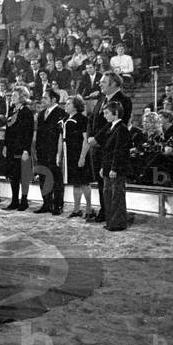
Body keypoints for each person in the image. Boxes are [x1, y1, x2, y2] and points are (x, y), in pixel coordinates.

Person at [87, 72, 132, 223]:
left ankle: (114, 215)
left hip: (110, 148)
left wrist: (97, 139)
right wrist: (90, 137)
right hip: (97, 147)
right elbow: (91, 120)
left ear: (113, 84)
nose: (99, 84)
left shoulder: (124, 101)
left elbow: (115, 124)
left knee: (113, 185)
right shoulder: (101, 100)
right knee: (102, 183)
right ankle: (105, 211)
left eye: (103, 82)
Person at [99, 101, 131, 231]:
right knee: (108, 194)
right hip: (108, 167)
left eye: (107, 113)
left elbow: (120, 151)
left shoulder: (121, 128)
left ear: (116, 113)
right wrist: (103, 167)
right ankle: (111, 221)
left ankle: (118, 223)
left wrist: (114, 168)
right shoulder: (110, 127)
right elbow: (106, 151)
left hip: (116, 168)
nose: (104, 115)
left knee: (116, 196)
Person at [60, 95, 94, 218]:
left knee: (84, 182)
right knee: (76, 183)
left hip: (80, 153)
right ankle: (76, 209)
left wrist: (82, 157)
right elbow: (61, 140)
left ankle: (89, 208)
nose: (66, 105)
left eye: (69, 104)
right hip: (70, 155)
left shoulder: (83, 119)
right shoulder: (64, 119)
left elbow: (86, 140)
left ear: (76, 106)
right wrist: (60, 156)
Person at [34, 88, 66, 214]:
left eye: (45, 98)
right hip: (42, 152)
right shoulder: (42, 114)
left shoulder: (61, 113)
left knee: (56, 179)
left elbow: (60, 136)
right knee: (43, 178)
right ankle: (46, 203)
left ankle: (58, 205)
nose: (42, 100)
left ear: (53, 99)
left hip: (54, 152)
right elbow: (39, 134)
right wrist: (37, 149)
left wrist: (59, 154)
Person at [1, 86, 34, 212]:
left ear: (21, 97)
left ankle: (24, 201)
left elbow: (28, 133)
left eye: (14, 96)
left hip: (22, 148)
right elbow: (8, 130)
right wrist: (5, 145)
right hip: (11, 148)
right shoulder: (12, 110)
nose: (11, 98)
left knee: (23, 176)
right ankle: (14, 200)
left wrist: (26, 150)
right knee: (13, 175)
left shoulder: (26, 112)